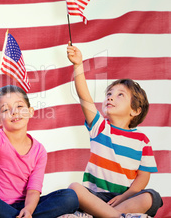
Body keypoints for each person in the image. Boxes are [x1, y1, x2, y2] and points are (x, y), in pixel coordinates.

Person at [66, 43, 163, 217]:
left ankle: (106, 214)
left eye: (120, 95)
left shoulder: (142, 140)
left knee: (152, 197)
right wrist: (77, 65)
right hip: (94, 196)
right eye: (109, 94)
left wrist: (126, 196)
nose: (110, 97)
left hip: (125, 198)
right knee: (74, 189)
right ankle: (111, 214)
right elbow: (85, 98)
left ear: (135, 110)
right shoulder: (100, 128)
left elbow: (143, 176)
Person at [0, 84, 79, 218]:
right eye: (5, 110)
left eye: (19, 106)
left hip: (23, 205)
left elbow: (34, 189)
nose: (14, 112)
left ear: (31, 111)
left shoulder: (39, 150)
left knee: (69, 197)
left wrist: (29, 210)